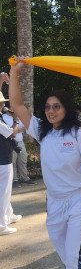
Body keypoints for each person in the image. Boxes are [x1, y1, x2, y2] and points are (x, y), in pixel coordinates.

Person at [9, 58, 81, 269]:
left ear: (67, 108)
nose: (51, 111)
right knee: (64, 252)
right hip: (54, 202)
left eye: (56, 107)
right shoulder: (43, 131)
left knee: (73, 254)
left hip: (79, 201)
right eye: (48, 107)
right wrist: (14, 72)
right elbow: (17, 105)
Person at [0, 74, 22, 236]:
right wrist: (15, 121)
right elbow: (12, 134)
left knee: (5, 190)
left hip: (3, 158)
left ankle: (9, 215)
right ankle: (2, 225)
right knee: (3, 192)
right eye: (2, 103)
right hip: (2, 161)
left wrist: (1, 82)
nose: (3, 105)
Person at [2, 106, 36, 186]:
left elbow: (24, 129)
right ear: (10, 108)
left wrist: (15, 129)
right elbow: (8, 131)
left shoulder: (18, 118)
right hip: (10, 143)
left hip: (20, 141)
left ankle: (25, 178)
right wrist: (15, 129)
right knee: (13, 162)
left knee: (23, 160)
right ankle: (15, 180)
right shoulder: (3, 117)